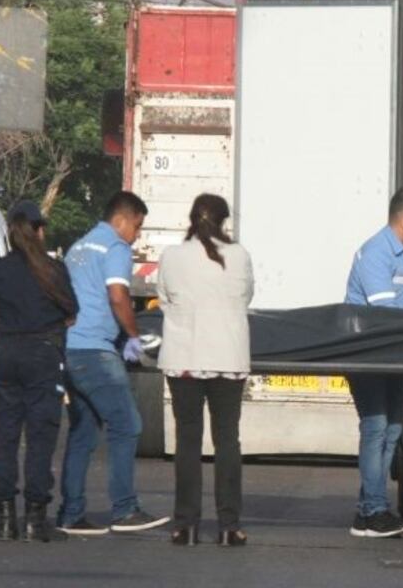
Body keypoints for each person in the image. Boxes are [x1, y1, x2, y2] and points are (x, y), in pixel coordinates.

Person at [56, 191, 170, 534]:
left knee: (84, 432)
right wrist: (133, 335)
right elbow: (118, 295)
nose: (137, 236)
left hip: (71, 349)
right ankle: (124, 509)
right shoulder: (116, 248)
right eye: (137, 226)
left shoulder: (79, 247)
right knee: (128, 425)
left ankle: (71, 514)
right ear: (123, 219)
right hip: (95, 350)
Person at [156, 194, 254, 547]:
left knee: (187, 440)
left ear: (191, 218)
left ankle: (186, 524)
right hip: (228, 358)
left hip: (184, 357)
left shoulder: (172, 256)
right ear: (225, 221)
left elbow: (165, 299)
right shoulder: (239, 255)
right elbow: (246, 297)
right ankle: (229, 525)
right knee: (227, 440)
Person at [345, 187, 403, 538]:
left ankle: (368, 508)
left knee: (394, 430)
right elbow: (387, 315)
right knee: (376, 427)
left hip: (397, 354)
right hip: (368, 354)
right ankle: (375, 510)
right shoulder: (375, 254)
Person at [0, 201, 78, 543]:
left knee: (6, 436)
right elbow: (71, 312)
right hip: (43, 353)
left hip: (6, 351)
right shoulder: (54, 270)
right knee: (41, 436)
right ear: (39, 231)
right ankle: (35, 519)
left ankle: (6, 517)